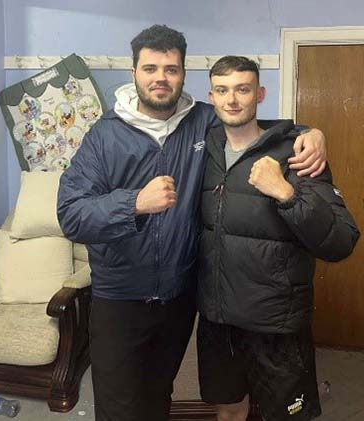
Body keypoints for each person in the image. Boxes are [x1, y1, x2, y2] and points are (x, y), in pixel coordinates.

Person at [57, 25, 327, 421]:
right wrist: (134, 203)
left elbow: (258, 129)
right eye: (150, 68)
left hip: (178, 298)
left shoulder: (203, 120)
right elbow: (71, 215)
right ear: (134, 74)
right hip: (119, 298)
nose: (160, 78)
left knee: (157, 395)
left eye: (171, 68)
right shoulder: (104, 136)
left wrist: (313, 133)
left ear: (184, 75)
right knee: (118, 406)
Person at [196, 56, 360, 421]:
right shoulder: (203, 150)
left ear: (260, 94)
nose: (232, 99)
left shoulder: (296, 153)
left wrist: (286, 193)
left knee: (287, 417)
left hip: (276, 324)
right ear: (211, 97)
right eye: (222, 90)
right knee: (229, 409)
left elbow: (342, 240)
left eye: (243, 89)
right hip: (218, 319)